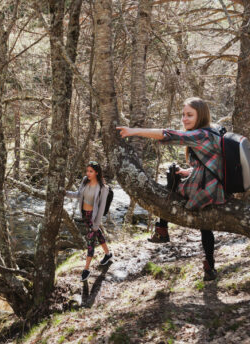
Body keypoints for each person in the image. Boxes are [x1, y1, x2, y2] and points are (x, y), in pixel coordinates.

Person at [116, 97, 225, 281]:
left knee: (171, 174)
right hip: (213, 186)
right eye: (183, 114)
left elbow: (169, 134)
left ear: (201, 115)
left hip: (206, 189)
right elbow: (211, 164)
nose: (184, 119)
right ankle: (209, 267)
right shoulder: (212, 131)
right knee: (205, 226)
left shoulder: (201, 135)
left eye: (190, 115)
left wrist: (134, 131)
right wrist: (188, 171)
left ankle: (162, 228)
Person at [66, 161, 113, 281]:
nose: (88, 173)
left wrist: (96, 224)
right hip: (84, 215)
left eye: (91, 171)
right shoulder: (85, 181)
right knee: (98, 234)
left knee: (90, 241)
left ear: (97, 173)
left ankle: (86, 270)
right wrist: (64, 193)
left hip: (93, 217)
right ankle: (108, 254)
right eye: (87, 171)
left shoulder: (103, 188)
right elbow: (78, 195)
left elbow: (102, 207)